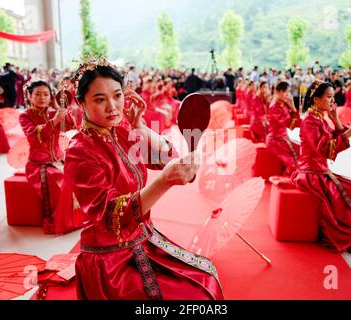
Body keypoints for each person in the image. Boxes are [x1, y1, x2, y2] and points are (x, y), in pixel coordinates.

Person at [64, 58, 223, 300]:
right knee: (196, 294)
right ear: (80, 102)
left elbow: (167, 157)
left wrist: (140, 126)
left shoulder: (122, 131)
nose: (112, 107)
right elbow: (113, 217)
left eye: (117, 96)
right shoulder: (79, 151)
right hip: (110, 258)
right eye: (100, 99)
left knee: (207, 274)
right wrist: (162, 183)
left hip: (143, 238)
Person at [292, 80, 351, 257]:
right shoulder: (309, 122)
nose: (331, 101)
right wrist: (350, 131)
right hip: (311, 176)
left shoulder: (320, 117)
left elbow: (334, 137)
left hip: (321, 172)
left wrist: (335, 117)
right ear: (316, 99)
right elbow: (326, 149)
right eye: (328, 97)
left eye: (332, 97)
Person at [19, 80, 83, 234]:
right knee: (59, 180)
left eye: (46, 94)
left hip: (59, 159)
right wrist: (54, 121)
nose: (42, 97)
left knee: (80, 174)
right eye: (38, 94)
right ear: (29, 96)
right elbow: (34, 136)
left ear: (51, 96)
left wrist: (61, 110)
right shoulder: (25, 116)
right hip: (39, 164)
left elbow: (70, 126)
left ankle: (78, 219)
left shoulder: (54, 112)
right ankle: (59, 222)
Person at [266, 81, 301, 176]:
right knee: (296, 165)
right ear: (279, 92)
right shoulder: (275, 106)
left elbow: (293, 125)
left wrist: (292, 107)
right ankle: (285, 183)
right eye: (287, 92)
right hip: (276, 141)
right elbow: (290, 124)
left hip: (283, 139)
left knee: (302, 153)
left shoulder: (282, 104)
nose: (288, 95)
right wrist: (292, 107)